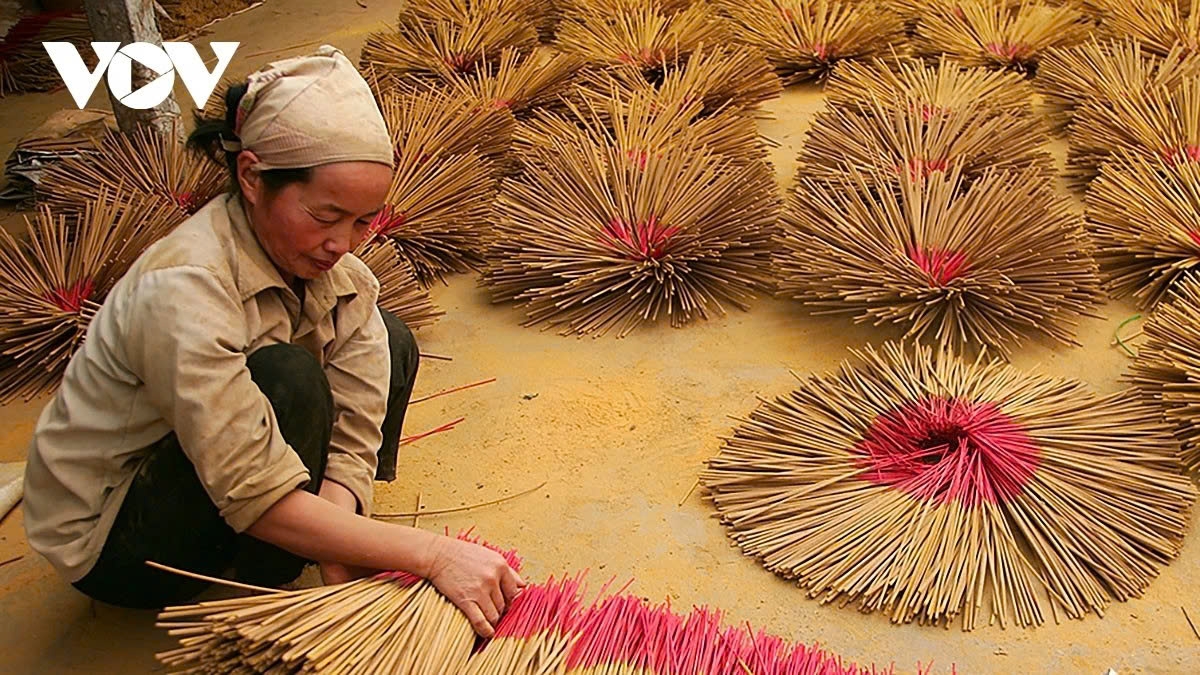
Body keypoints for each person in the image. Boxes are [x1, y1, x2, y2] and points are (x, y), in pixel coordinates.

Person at [22, 45, 523, 638]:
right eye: (324, 215)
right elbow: (249, 488)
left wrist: (340, 530)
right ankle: (269, 564)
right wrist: (432, 555)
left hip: (225, 488)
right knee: (288, 376)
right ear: (252, 176)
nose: (344, 243)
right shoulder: (183, 289)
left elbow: (353, 437)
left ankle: (303, 545)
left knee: (389, 337)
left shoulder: (343, 280)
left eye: (363, 222)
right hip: (121, 541)